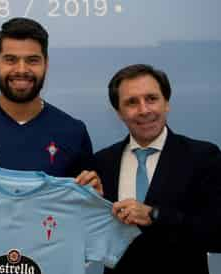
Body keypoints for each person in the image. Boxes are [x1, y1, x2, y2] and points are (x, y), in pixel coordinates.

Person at [0, 17, 101, 193]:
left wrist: (94, 196)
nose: (21, 70)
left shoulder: (73, 131)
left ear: (46, 64)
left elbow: (85, 206)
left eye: (32, 60)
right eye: (10, 59)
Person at [95, 64, 221, 274]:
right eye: (132, 102)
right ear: (119, 112)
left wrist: (155, 215)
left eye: (151, 99)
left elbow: (217, 233)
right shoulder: (102, 162)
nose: (144, 110)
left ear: (166, 104)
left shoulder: (203, 157)